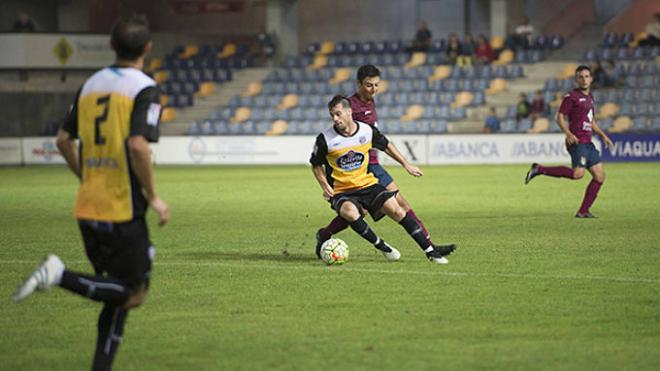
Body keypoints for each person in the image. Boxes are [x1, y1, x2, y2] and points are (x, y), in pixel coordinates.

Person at [12, 13, 169, 371]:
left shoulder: (90, 84)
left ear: (111, 46)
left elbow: (64, 141)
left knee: (115, 297)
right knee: (133, 293)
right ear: (147, 48)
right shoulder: (144, 88)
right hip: (121, 208)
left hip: (88, 205)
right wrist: (155, 197)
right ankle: (58, 274)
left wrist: (88, 177)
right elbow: (138, 145)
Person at [315, 64, 445, 261]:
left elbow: (377, 137)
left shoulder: (369, 101)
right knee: (374, 208)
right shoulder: (350, 108)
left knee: (381, 207)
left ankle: (428, 244)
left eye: (376, 85)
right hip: (364, 167)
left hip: (372, 162)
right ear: (358, 84)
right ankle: (428, 245)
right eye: (369, 85)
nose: (373, 89)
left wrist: (406, 164)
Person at [525, 65, 614, 218]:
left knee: (600, 176)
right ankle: (539, 169)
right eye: (581, 77)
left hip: (588, 143)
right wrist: (567, 133)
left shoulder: (590, 98)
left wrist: (603, 135)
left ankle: (583, 211)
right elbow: (559, 117)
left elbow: (591, 122)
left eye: (587, 76)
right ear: (576, 79)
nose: (584, 80)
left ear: (591, 79)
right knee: (578, 174)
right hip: (577, 141)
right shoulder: (571, 97)